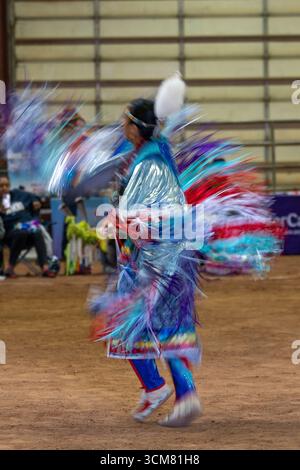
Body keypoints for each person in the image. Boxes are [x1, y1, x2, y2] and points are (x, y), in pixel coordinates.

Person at [92, 99, 203, 427]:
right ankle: (162, 389)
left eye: (126, 121)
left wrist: (111, 220)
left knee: (149, 324)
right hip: (157, 255)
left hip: (161, 260)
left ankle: (177, 395)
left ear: (137, 127)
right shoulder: (153, 151)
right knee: (141, 322)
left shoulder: (149, 162)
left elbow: (131, 216)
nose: (122, 126)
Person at [0, 176, 56, 278]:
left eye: (6, 185)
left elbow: (32, 196)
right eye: (1, 186)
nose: (4, 188)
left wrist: (35, 201)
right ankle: (10, 267)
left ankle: (45, 267)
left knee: (37, 231)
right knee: (22, 231)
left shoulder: (17, 194)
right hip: (11, 236)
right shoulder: (2, 202)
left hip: (28, 231)